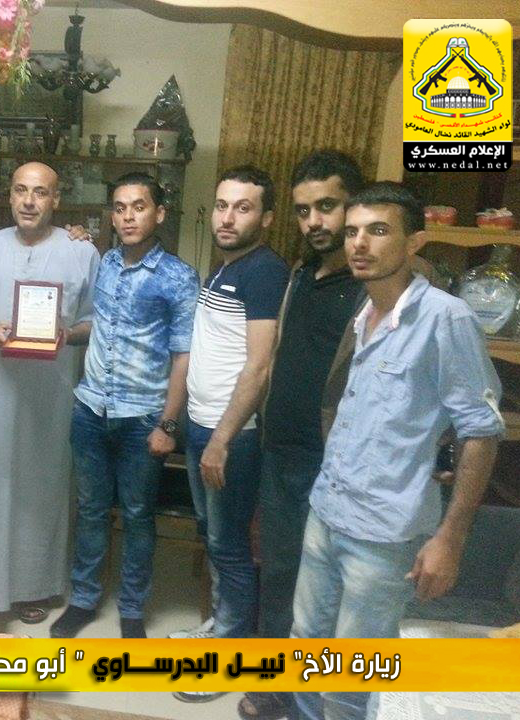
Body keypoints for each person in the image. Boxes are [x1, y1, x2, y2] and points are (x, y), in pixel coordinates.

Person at [291, 182, 503, 720]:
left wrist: (450, 538)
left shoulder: (445, 318)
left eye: (379, 231)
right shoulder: (363, 311)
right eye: (353, 232)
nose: (359, 244)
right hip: (327, 512)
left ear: (415, 243)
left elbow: (481, 431)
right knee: (306, 649)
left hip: (384, 534)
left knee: (351, 683)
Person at [238, 150, 365, 720]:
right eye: (304, 210)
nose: (315, 221)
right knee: (279, 573)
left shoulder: (375, 286)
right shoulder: (298, 277)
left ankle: (317, 699)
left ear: (354, 206)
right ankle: (275, 687)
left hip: (338, 462)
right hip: (282, 454)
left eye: (327, 206)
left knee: (329, 591)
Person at [50, 173, 198, 639]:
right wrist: (75, 236)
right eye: (119, 208)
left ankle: (132, 608)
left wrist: (168, 425)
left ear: (160, 213)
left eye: (139, 206)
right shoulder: (105, 262)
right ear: (111, 216)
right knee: (91, 509)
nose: (128, 217)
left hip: (143, 417)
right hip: (91, 409)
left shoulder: (178, 276)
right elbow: (94, 319)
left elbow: (184, 355)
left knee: (136, 515)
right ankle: (84, 599)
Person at [0, 161, 99, 623]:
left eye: (40, 192)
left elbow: (96, 322)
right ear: (9, 195)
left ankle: (37, 586)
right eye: (20, 190)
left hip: (52, 397)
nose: (29, 201)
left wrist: (66, 335)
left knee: (44, 488)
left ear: (57, 199)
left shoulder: (81, 252)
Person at [175, 165, 289, 702]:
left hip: (231, 437)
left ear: (265, 218)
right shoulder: (226, 268)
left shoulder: (264, 272)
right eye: (222, 205)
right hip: (202, 425)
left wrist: (221, 439)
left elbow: (259, 366)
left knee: (231, 547)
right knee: (216, 540)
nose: (227, 217)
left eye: (242, 208)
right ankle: (223, 627)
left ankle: (228, 660)